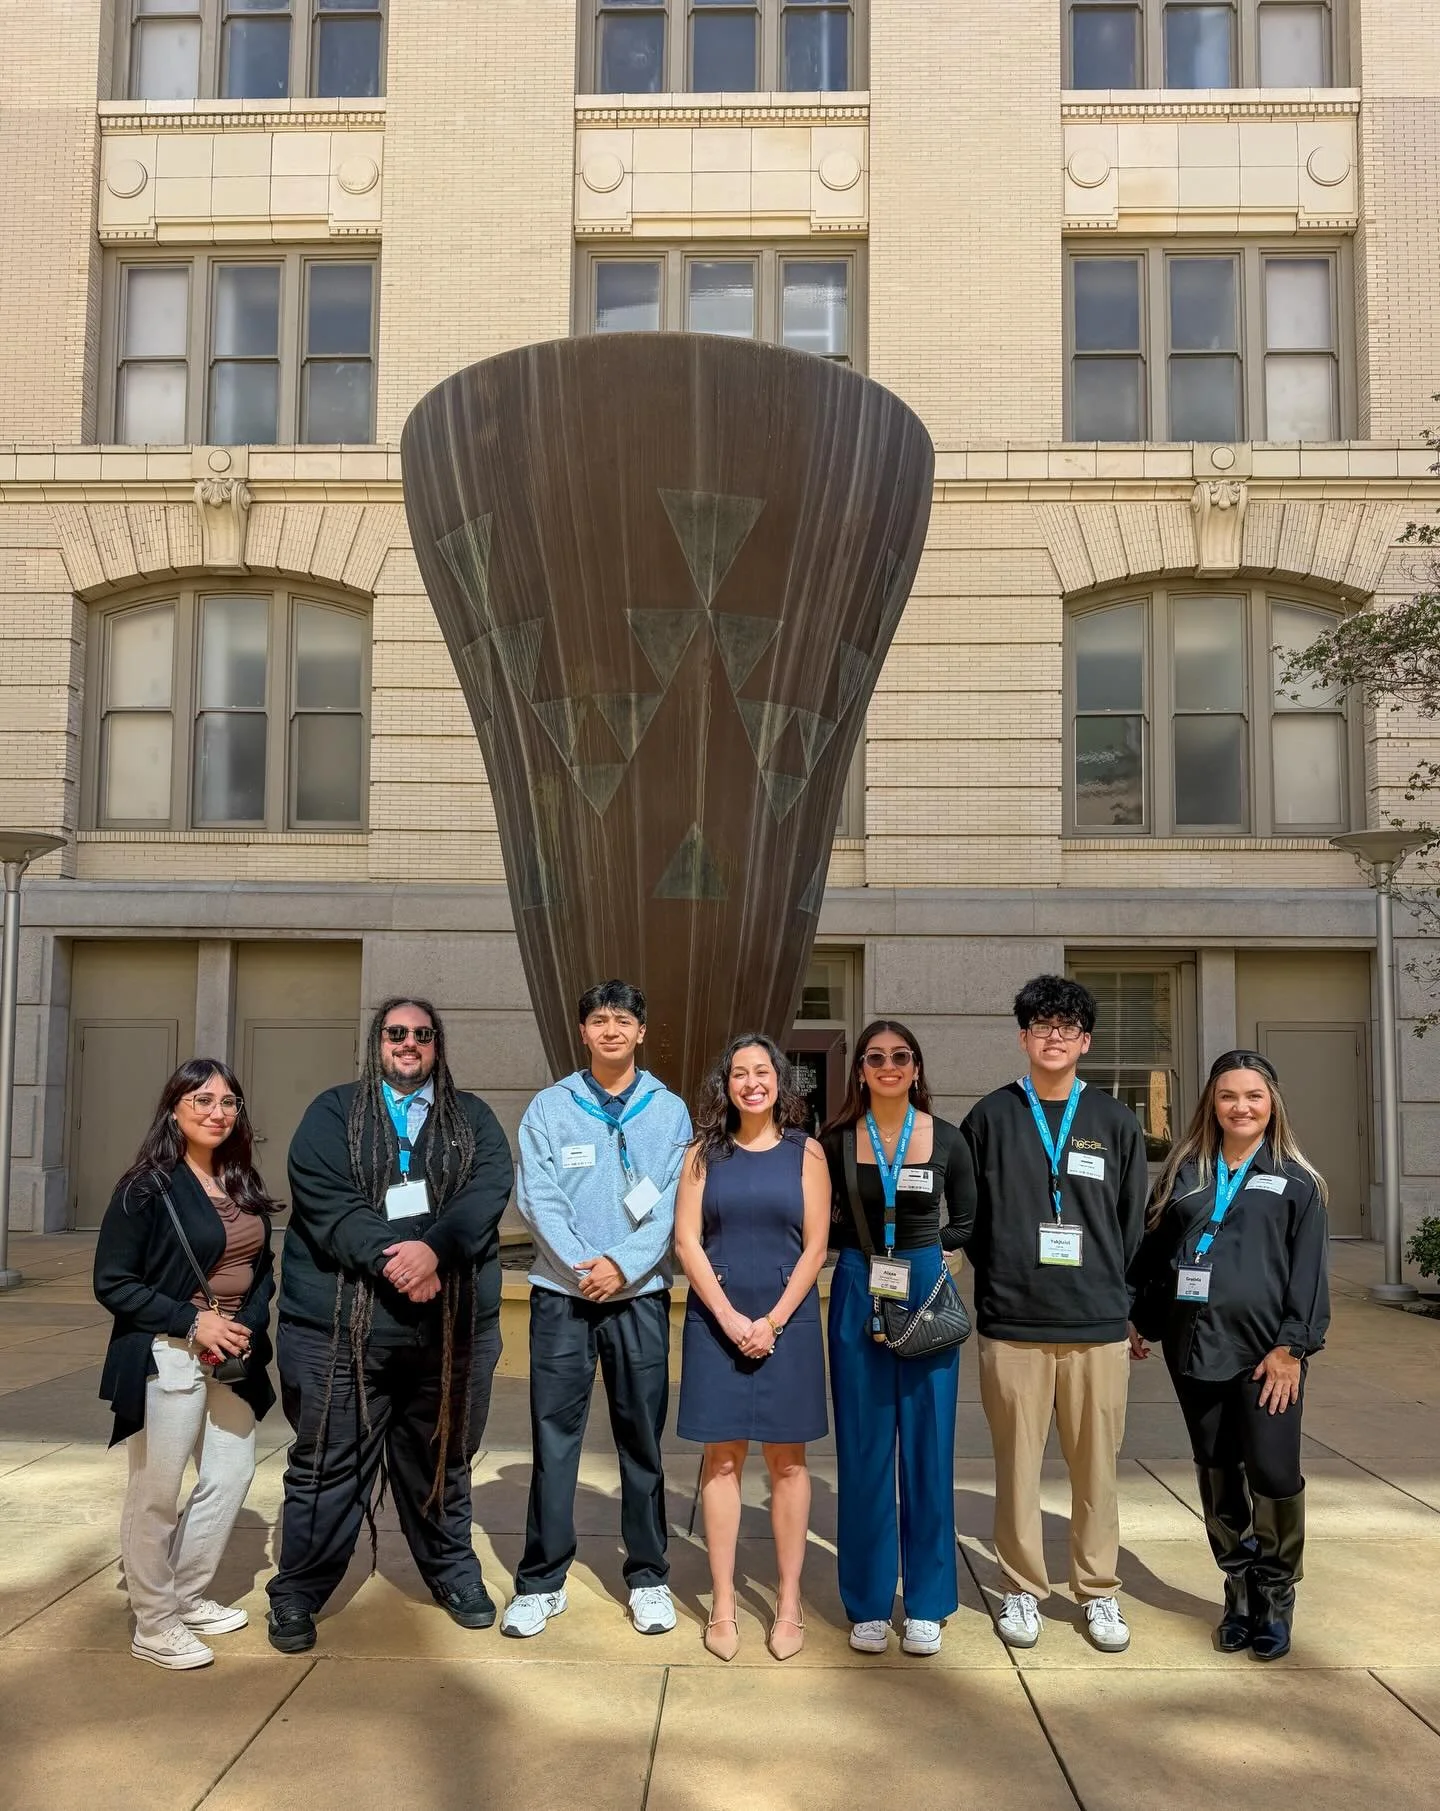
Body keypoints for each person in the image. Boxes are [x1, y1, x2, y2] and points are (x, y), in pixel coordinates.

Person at [266, 997, 514, 1653]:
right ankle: (297, 1592)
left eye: (422, 1034)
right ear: (377, 1042)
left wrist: (435, 1251)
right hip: (340, 1335)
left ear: (438, 1045)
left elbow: (487, 1192)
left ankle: (453, 1572)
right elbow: (327, 1201)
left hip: (449, 1336)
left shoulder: (474, 1119)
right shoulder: (332, 1113)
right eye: (395, 1032)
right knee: (326, 1467)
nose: (409, 1043)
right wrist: (394, 1259)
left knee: (443, 1460)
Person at [960, 974, 1148, 1654]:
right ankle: (1021, 1586)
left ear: (1085, 1041)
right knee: (1017, 1467)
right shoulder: (990, 1117)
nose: (1054, 1037)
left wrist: (1122, 1301)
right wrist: (1005, 1276)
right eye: (1042, 1026)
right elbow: (972, 1220)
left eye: (1067, 1027)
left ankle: (1097, 1590)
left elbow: (1131, 1224)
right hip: (1014, 1323)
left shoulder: (1114, 1121)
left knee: (1097, 1470)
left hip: (1096, 1324)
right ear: (1023, 1037)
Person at [502, 980, 692, 1640]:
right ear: (582, 1031)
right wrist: (584, 1266)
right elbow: (538, 1196)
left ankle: (648, 1575)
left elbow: (673, 1202)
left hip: (639, 1298)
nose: (611, 1030)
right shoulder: (551, 1107)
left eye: (623, 1020)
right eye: (599, 1020)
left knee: (642, 1441)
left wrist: (623, 1266)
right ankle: (541, 1580)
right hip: (564, 1296)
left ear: (642, 1031)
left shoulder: (669, 1111)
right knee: (555, 1440)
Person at [1129, 1050, 1329, 1661]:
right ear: (1211, 1105)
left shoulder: (1298, 1182)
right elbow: (1153, 1252)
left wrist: (1292, 1346)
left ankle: (1277, 1594)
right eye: (1228, 1096)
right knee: (1216, 1468)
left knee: (1272, 1473)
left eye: (1253, 1096)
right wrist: (1139, 1316)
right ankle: (1238, 1590)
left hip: (1267, 1356)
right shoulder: (1184, 1173)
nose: (1241, 1107)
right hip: (1194, 1346)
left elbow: (1309, 1275)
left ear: (1273, 1104)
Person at [93, 1060, 277, 1670]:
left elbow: (261, 1268)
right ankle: (154, 1621)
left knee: (231, 1473)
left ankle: (186, 1595)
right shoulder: (146, 1188)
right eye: (202, 1100)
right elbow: (113, 1282)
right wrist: (194, 1321)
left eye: (228, 1102)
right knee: (157, 1490)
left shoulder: (240, 1181)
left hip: (232, 1353)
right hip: (167, 1351)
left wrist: (247, 1322)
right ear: (174, 1109)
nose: (217, 1112)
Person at [821, 1019, 974, 1658]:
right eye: (875, 1057)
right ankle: (867, 1602)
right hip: (861, 1283)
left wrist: (930, 1256)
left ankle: (929, 1603)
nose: (888, 1066)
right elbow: (821, 1222)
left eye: (900, 1056)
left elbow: (966, 1220)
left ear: (916, 1068)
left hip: (925, 1285)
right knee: (863, 1450)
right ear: (860, 1070)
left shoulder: (949, 1138)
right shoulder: (834, 1141)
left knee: (929, 1448)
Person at [675, 1035, 830, 1661]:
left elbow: (816, 1247)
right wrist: (731, 1318)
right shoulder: (702, 1153)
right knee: (721, 1461)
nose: (751, 1083)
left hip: (787, 1323)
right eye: (739, 1073)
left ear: (779, 1081)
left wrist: (771, 1322)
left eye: (761, 1072)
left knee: (788, 1462)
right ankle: (723, 1601)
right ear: (726, 1085)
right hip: (718, 1322)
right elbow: (687, 1242)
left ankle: (789, 1601)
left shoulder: (807, 1152)